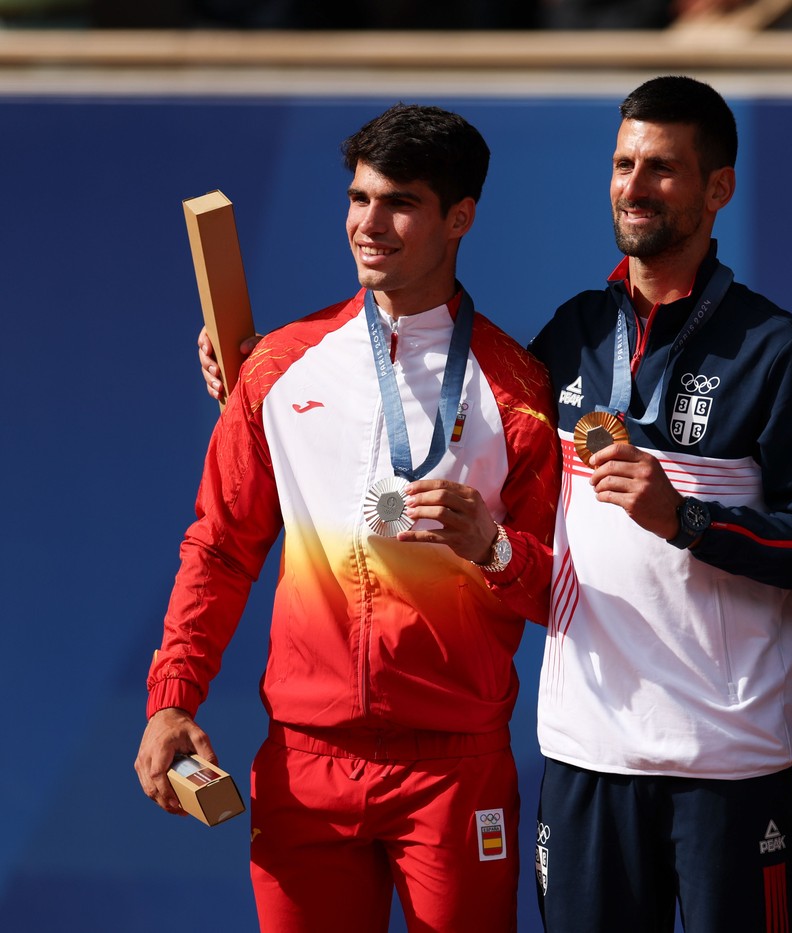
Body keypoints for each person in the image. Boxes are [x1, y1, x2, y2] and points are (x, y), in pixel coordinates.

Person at [139, 102, 560, 933]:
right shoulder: (277, 367)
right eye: (359, 198)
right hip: (304, 761)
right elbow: (220, 548)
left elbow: (562, 591)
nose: (369, 223)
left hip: (454, 771)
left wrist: (496, 548)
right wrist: (172, 697)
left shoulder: (517, 394)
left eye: (399, 201)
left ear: (460, 217)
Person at [526, 76, 792, 932]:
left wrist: (688, 521)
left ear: (718, 189)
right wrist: (264, 376)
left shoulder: (783, 352)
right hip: (585, 753)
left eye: (662, 168)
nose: (634, 185)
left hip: (729, 763)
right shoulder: (573, 332)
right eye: (624, 163)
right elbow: (458, 433)